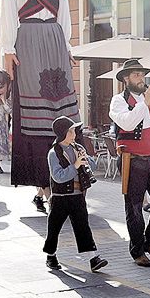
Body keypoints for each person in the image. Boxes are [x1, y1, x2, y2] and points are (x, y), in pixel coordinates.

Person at [0, 0, 79, 214]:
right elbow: (7, 10)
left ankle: (68, 179)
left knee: (63, 111)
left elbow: (65, 11)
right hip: (27, 37)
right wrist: (7, 48)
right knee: (36, 114)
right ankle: (43, 184)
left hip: (55, 39)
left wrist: (68, 44)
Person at [109, 58, 150, 267]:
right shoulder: (118, 101)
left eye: (142, 74)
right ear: (126, 79)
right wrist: (145, 103)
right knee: (135, 207)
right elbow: (128, 123)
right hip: (133, 159)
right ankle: (137, 250)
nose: (141, 78)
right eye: (136, 75)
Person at [44, 116, 107, 273]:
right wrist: (76, 165)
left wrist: (86, 159)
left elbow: (91, 164)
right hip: (60, 197)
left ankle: (93, 258)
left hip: (78, 195)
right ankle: (50, 255)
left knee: (83, 226)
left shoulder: (77, 147)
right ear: (63, 133)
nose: (74, 133)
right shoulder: (54, 153)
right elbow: (58, 176)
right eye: (71, 131)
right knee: (54, 227)